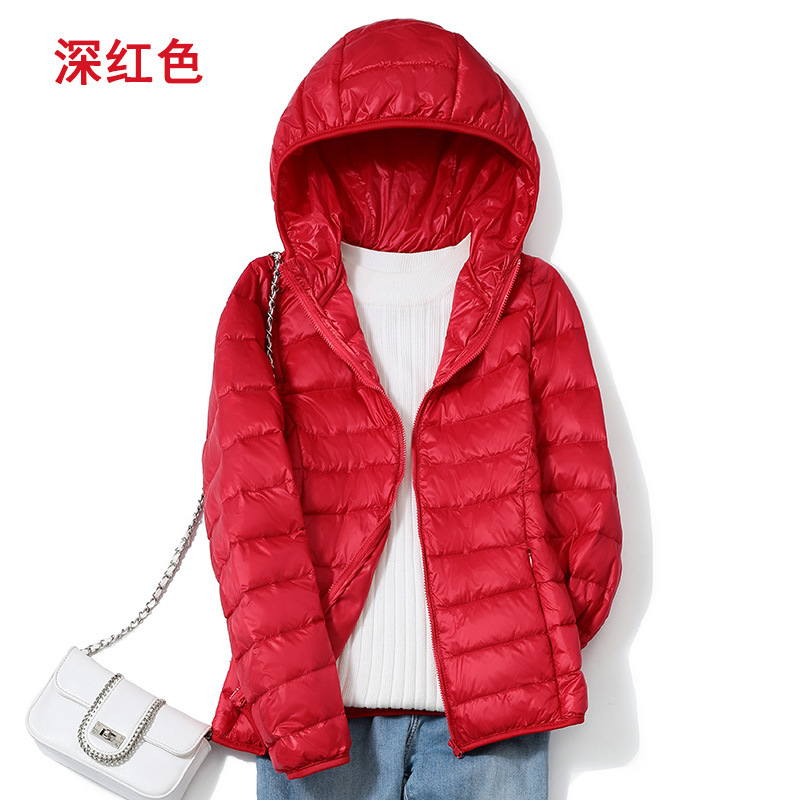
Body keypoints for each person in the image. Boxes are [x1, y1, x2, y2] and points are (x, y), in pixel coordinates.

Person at [201, 17, 623, 800]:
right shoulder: (272, 296)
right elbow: (246, 514)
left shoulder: (531, 299)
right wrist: (286, 687)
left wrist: (526, 652)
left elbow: (586, 507)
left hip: (487, 726)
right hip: (315, 706)